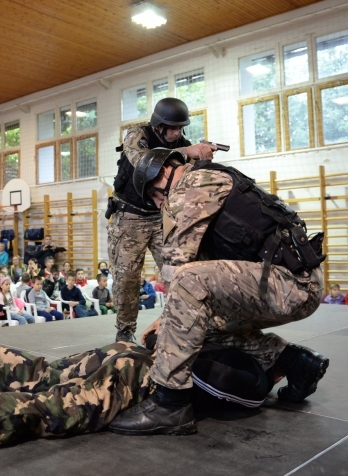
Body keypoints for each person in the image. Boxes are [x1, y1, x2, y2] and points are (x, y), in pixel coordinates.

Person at [109, 148, 327, 435]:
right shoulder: (211, 178)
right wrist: (173, 321)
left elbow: (176, 265)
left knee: (187, 284)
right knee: (198, 326)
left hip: (288, 284)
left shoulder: (192, 185)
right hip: (288, 283)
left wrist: (168, 319)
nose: (159, 203)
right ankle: (293, 361)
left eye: (155, 196)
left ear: (161, 175)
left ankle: (170, 403)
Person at [0, 332, 299, 455]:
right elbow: (225, 397)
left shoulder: (242, 339)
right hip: (137, 377)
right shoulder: (254, 385)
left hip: (130, 350)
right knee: (52, 409)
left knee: (43, 372)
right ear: (279, 374)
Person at [107, 98, 216, 343]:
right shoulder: (137, 136)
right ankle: (125, 331)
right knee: (127, 279)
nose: (177, 133)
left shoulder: (183, 144)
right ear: (158, 125)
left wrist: (202, 157)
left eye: (180, 128)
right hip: (129, 218)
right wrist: (187, 152)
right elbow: (144, 162)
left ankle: (180, 324)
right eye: (172, 128)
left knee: (177, 274)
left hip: (162, 219)